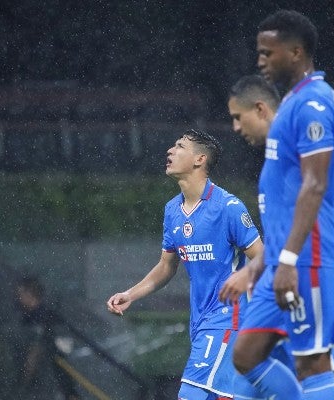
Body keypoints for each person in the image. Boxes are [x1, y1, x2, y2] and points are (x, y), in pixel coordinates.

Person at [227, 10, 334, 399]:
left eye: (269, 53)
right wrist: (263, 265)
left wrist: (287, 261)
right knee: (245, 355)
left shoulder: (313, 103)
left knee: (312, 366)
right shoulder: (296, 103)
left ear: (296, 52)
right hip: (285, 261)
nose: (261, 60)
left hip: (307, 254)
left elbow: (315, 186)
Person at [107, 129, 263, 399]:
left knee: (191, 394)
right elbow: (166, 266)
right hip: (200, 321)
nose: (170, 150)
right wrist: (130, 294)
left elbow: (264, 258)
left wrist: (245, 279)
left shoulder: (228, 207)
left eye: (179, 146)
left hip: (227, 319)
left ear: (199, 159)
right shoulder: (172, 210)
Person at [13, 276, 80, 400]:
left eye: (21, 293)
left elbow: (35, 350)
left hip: (50, 378)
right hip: (53, 378)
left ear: (30, 293)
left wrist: (25, 379)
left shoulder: (39, 318)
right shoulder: (36, 316)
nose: (19, 298)